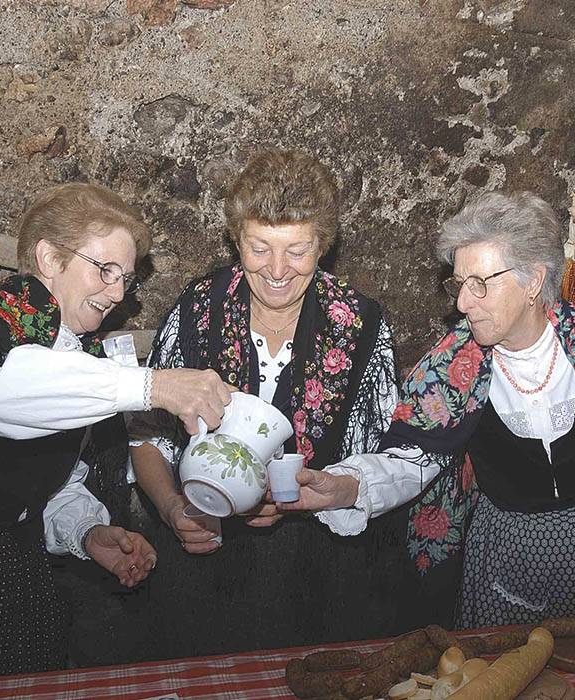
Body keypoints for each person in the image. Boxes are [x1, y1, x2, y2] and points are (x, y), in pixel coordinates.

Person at [283, 190, 575, 639]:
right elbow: (410, 462)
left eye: (480, 283)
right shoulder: (453, 366)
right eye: (459, 284)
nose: (464, 303)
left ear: (532, 282)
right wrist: (347, 487)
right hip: (500, 563)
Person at [0, 183, 232, 676]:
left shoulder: (78, 357)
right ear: (49, 257)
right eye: (105, 270)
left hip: (13, 573)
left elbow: (50, 481)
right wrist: (154, 386)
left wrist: (87, 531)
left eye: (125, 279)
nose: (117, 293)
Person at [129, 148, 403, 657]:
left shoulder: (361, 325)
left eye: (297, 250)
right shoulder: (198, 309)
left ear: (323, 245)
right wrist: (171, 508)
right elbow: (147, 434)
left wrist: (317, 492)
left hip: (317, 570)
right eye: (260, 248)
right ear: (237, 241)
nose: (277, 269)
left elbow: (383, 454)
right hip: (203, 558)